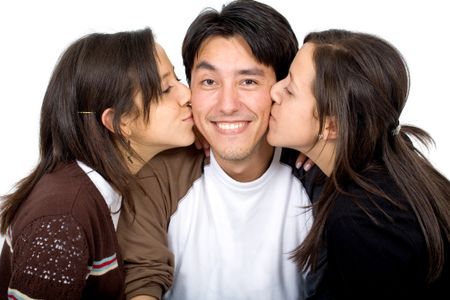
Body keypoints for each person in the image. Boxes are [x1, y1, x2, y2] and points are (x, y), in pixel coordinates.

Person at [116, 1, 313, 299]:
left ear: (280, 88)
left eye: (248, 81)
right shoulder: (159, 175)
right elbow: (140, 280)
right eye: (209, 82)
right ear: (190, 90)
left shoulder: (313, 173)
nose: (227, 105)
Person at [0, 28, 194, 299]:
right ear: (120, 122)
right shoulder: (62, 221)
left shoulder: (99, 191)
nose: (187, 94)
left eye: (178, 78)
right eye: (165, 89)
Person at [268, 29, 450, 299]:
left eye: (290, 89)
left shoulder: (361, 220)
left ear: (332, 125)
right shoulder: (389, 157)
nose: (274, 90)